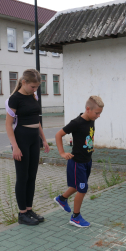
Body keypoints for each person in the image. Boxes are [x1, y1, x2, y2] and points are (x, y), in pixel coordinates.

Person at [5, 69, 50, 226]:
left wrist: (44, 140)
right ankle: (22, 214)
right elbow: (8, 125)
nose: (35, 89)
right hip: (21, 139)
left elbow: (36, 120)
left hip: (33, 140)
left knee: (32, 176)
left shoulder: (33, 96)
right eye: (33, 86)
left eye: (37, 87)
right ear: (23, 82)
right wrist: (15, 147)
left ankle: (29, 210)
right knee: (22, 177)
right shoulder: (15, 99)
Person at [54, 96, 104, 227]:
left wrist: (90, 146)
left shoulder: (91, 119)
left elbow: (87, 136)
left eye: (100, 113)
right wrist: (62, 153)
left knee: (78, 186)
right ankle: (75, 217)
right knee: (82, 189)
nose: (98, 116)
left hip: (87, 160)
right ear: (88, 109)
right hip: (77, 162)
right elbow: (58, 135)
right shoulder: (76, 122)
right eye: (97, 113)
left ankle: (62, 199)